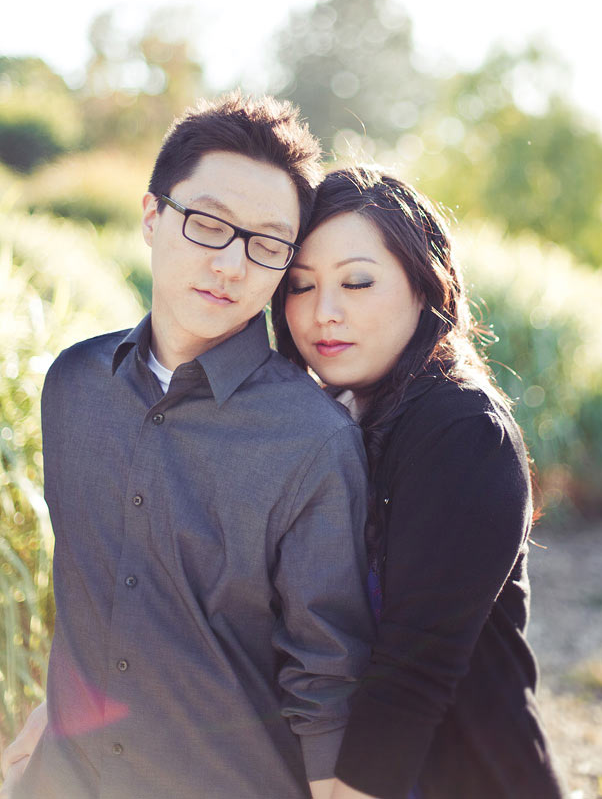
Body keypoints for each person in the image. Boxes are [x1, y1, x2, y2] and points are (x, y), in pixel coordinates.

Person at [6, 94, 374, 799]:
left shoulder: (313, 440)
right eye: (207, 224)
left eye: (266, 243)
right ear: (152, 217)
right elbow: (89, 589)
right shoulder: (73, 385)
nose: (232, 265)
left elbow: (326, 679)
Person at [271, 166, 564, 799]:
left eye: (357, 281)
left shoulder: (463, 432)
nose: (324, 311)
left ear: (425, 283)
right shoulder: (333, 417)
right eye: (300, 286)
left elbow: (411, 677)